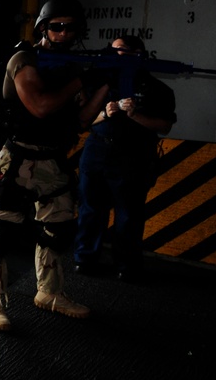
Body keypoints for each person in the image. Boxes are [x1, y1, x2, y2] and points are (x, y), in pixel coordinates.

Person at [0, 0, 109, 331]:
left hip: (53, 158)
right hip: (20, 156)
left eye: (71, 28)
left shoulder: (67, 67)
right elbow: (39, 106)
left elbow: (80, 120)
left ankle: (49, 293)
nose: (64, 33)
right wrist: (82, 79)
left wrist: (106, 85)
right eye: (57, 26)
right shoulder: (24, 59)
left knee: (59, 228)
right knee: (1, 231)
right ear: (42, 29)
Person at [73, 35, 176, 282]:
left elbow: (164, 126)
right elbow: (82, 121)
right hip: (97, 151)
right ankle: (85, 259)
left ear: (137, 53)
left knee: (128, 216)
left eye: (118, 50)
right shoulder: (100, 82)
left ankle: (126, 265)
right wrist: (105, 114)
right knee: (90, 210)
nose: (112, 53)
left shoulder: (157, 89)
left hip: (133, 156)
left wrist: (133, 115)